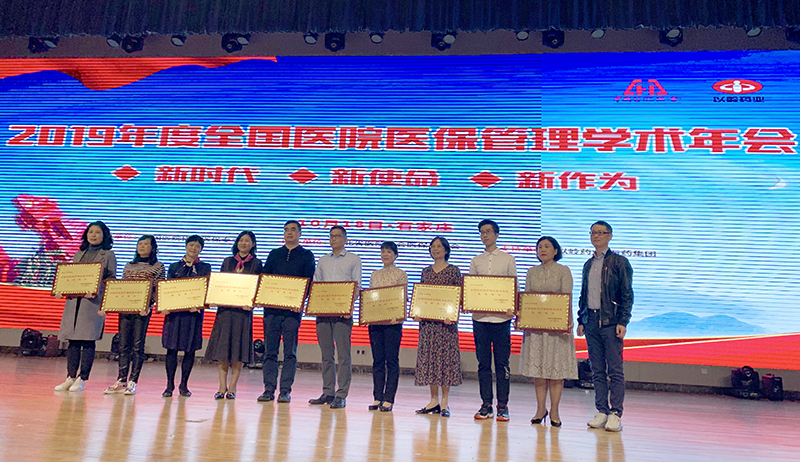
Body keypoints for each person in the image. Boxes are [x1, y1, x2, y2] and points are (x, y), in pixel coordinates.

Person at [577, 221, 633, 432]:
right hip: (591, 321)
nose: (596, 236)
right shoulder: (588, 264)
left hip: (610, 322)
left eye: (601, 233)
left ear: (610, 236)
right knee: (597, 369)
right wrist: (581, 319)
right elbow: (584, 295)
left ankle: (616, 413)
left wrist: (623, 321)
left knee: (615, 370)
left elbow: (627, 294)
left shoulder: (619, 262)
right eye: (593, 232)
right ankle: (601, 410)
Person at [520, 236, 578, 427]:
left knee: (555, 371)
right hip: (536, 328)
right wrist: (522, 319)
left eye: (547, 246)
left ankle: (554, 411)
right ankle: (540, 409)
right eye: (539, 247)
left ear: (556, 251)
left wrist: (567, 323)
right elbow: (527, 299)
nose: (542, 250)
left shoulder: (563, 270)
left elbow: (567, 298)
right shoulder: (532, 271)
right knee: (538, 371)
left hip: (557, 329)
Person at [54, 221, 117, 392]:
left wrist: (97, 290)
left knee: (88, 340)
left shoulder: (108, 255)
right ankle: (70, 377)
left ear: (104, 235)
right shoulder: (78, 254)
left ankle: (82, 378)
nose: (93, 235)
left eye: (98, 232)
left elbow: (111, 279)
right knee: (73, 340)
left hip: (92, 303)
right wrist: (62, 289)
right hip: (74, 302)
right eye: (91, 232)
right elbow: (72, 277)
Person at [257, 220, 315, 404]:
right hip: (271, 311)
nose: (289, 233)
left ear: (300, 233)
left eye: (293, 230)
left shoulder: (307, 255)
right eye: (286, 230)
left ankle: (285, 391)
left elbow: (309, 281)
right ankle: (268, 389)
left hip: (292, 312)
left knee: (290, 352)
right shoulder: (274, 253)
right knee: (270, 351)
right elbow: (265, 278)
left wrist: (301, 301)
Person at [103, 235, 165, 395]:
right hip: (126, 309)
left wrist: (149, 305)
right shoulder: (129, 265)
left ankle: (133, 381)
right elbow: (123, 287)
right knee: (123, 344)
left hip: (143, 311)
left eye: (146, 244)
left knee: (138, 345)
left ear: (153, 248)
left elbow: (158, 289)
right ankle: (121, 379)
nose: (142, 246)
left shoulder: (158, 266)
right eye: (140, 244)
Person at [205, 230, 263, 399]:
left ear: (253, 244)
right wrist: (214, 298)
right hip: (225, 312)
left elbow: (258, 287)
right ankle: (221, 386)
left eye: (247, 241)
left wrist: (253, 302)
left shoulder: (257, 263)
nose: (243, 243)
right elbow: (220, 284)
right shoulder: (228, 261)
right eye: (241, 240)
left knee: (238, 349)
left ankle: (232, 387)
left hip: (243, 313)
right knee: (223, 349)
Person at [308, 225, 361, 409]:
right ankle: (328, 392)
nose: (334, 239)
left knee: (344, 355)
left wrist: (346, 305)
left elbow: (356, 286)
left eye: (337, 236)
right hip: (323, 313)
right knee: (326, 355)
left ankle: (341, 394)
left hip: (342, 314)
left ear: (345, 239)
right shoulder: (323, 260)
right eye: (331, 236)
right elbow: (316, 284)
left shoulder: (354, 259)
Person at [469, 219, 517, 422]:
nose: (485, 235)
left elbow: (513, 287)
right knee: (483, 364)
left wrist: (512, 307)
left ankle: (503, 405)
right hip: (480, 318)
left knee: (502, 363)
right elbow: (472, 288)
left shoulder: (507, 259)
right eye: (482, 232)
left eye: (488, 231)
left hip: (501, 320)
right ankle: (486, 404)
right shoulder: (476, 260)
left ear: (497, 234)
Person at [414, 236, 462, 418]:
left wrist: (452, 315)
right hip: (428, 325)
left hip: (446, 326)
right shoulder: (425, 271)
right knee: (430, 360)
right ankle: (433, 399)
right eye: (433, 246)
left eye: (439, 246)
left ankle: (444, 401)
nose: (435, 249)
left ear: (446, 250)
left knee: (445, 361)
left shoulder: (453, 270)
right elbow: (421, 296)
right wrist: (417, 312)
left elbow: (458, 296)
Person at [160, 235, 212, 398]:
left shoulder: (204, 267)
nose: (194, 248)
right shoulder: (174, 266)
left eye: (197, 246)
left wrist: (200, 303)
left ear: (201, 249)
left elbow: (206, 289)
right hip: (175, 315)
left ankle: (184, 385)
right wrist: (165, 305)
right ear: (185, 246)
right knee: (171, 349)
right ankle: (169, 385)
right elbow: (168, 288)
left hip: (193, 314)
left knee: (190, 350)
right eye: (191, 245)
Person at [367, 241, 407, 412]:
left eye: (389, 252)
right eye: (383, 251)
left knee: (391, 360)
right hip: (375, 323)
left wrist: (397, 315)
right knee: (377, 360)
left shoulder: (401, 274)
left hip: (393, 323)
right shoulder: (375, 274)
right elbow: (370, 297)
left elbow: (402, 298)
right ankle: (377, 397)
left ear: (395, 255)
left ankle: (389, 398)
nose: (385, 254)